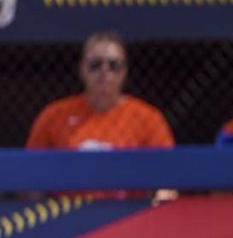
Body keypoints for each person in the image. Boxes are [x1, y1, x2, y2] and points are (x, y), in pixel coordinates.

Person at [27, 31, 174, 152]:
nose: (105, 71)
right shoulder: (53, 116)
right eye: (95, 65)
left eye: (114, 65)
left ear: (124, 72)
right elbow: (30, 176)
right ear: (82, 69)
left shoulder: (148, 119)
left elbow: (169, 178)